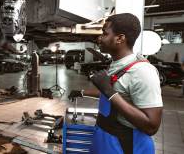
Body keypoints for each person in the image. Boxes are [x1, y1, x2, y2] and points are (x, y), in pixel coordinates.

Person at [69, 13, 163, 154]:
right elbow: (119, 94)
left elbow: (151, 126)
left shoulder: (143, 72)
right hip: (105, 138)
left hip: (125, 145)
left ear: (120, 38)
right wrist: (82, 92)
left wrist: (109, 91)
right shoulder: (118, 64)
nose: (99, 38)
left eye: (104, 34)